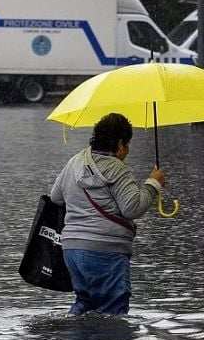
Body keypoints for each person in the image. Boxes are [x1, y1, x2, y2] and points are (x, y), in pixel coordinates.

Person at [49, 113, 166, 316]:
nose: (127, 151)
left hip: (72, 250)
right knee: (113, 310)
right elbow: (133, 208)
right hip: (105, 250)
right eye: (127, 144)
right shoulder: (118, 169)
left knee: (84, 303)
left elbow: (56, 197)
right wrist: (153, 184)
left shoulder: (75, 162)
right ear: (120, 144)